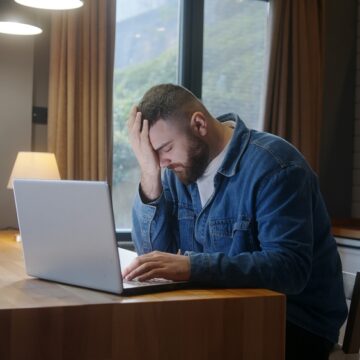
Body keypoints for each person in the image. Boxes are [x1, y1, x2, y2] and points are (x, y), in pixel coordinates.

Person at [123, 83, 347, 360]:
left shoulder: (277, 167)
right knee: (134, 339)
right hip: (220, 311)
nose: (163, 162)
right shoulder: (175, 172)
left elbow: (290, 269)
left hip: (295, 324)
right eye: (153, 153)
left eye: (165, 148)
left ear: (199, 124)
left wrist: (192, 267)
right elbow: (152, 260)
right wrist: (148, 172)